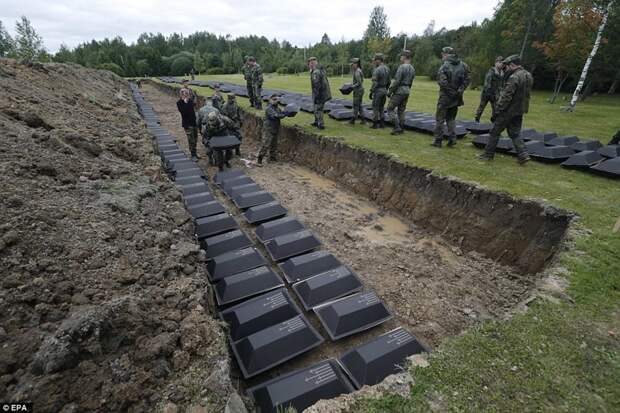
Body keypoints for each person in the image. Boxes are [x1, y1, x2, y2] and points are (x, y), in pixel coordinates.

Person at [479, 54, 533, 164]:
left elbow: (506, 96)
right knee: (515, 133)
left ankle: (488, 155)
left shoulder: (514, 77)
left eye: (507, 66)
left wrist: (498, 110)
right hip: (520, 110)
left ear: (512, 65)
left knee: (494, 131)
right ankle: (523, 154)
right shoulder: (528, 75)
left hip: (508, 110)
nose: (505, 68)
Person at [431, 47, 471, 148]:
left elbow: (442, 82)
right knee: (451, 118)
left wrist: (451, 92)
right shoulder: (464, 65)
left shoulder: (444, 66)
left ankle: (438, 140)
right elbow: (467, 80)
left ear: (447, 54)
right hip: (457, 97)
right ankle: (452, 139)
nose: (442, 56)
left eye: (443, 54)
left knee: (440, 119)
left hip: (445, 97)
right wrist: (460, 90)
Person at [387, 50, 415, 135]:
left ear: (405, 57)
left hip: (399, 91)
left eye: (401, 56)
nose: (400, 58)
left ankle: (396, 127)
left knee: (390, 108)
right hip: (407, 90)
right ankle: (402, 128)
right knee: (401, 110)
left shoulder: (402, 67)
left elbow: (397, 81)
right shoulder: (412, 68)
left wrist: (390, 91)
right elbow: (411, 82)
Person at [257, 94, 288, 165]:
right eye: (274, 100)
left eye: (277, 100)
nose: (276, 101)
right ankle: (260, 159)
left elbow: (280, 113)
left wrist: (286, 112)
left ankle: (272, 157)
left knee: (274, 144)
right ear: (270, 100)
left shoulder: (277, 108)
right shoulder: (269, 108)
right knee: (266, 144)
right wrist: (285, 114)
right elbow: (276, 116)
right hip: (268, 129)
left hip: (275, 128)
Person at [475, 56, 504, 123]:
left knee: (496, 109)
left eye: (502, 63)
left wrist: (500, 92)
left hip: (495, 94)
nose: (501, 64)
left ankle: (493, 120)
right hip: (487, 93)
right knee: (481, 107)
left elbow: (501, 84)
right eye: (499, 62)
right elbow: (487, 83)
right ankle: (477, 119)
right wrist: (488, 92)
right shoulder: (491, 71)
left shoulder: (501, 73)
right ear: (496, 63)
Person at [308, 57, 332, 130]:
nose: (309, 65)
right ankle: (316, 121)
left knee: (319, 109)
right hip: (321, 93)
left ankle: (321, 125)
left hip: (319, 94)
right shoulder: (319, 70)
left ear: (312, 63)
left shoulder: (316, 72)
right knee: (316, 108)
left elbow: (317, 85)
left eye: (309, 63)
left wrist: (316, 96)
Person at [176, 89, 199, 161]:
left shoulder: (190, 101)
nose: (186, 95)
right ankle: (193, 155)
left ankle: (195, 153)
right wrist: (185, 102)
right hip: (187, 125)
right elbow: (184, 112)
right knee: (191, 140)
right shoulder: (179, 103)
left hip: (194, 123)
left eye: (187, 94)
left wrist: (194, 97)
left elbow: (194, 106)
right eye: (184, 94)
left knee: (195, 139)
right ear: (181, 95)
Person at [369, 53, 390, 129]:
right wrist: (386, 89)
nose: (374, 62)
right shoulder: (387, 69)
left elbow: (375, 83)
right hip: (384, 90)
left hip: (378, 90)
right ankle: (382, 124)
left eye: (375, 60)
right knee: (381, 107)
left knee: (375, 107)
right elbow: (389, 82)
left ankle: (375, 124)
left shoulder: (377, 70)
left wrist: (371, 91)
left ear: (378, 60)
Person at [349, 58, 365, 125]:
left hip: (358, 91)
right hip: (360, 90)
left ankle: (353, 119)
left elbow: (359, 82)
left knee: (356, 105)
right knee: (359, 105)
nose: (352, 66)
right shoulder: (358, 70)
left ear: (356, 64)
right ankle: (363, 119)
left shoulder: (357, 72)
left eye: (353, 64)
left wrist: (352, 86)